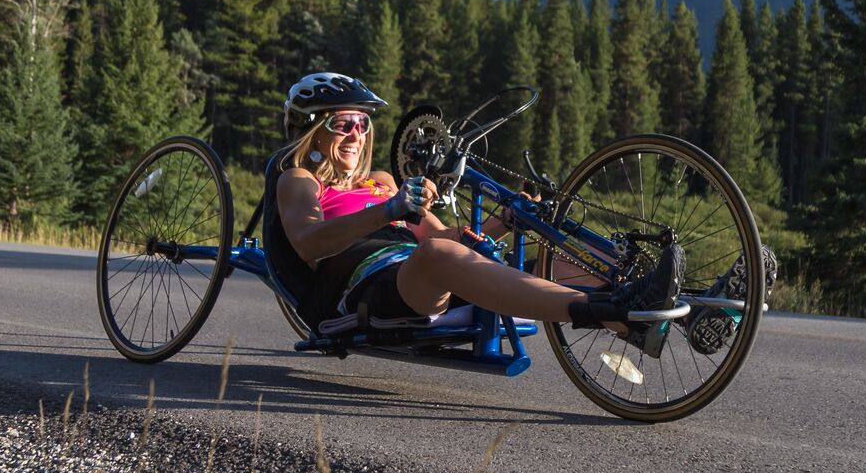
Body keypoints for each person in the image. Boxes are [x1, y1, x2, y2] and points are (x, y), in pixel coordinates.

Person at [273, 72, 681, 354]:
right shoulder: (300, 180)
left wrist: (503, 221)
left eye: (362, 124)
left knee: (555, 261)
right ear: (311, 130)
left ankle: (681, 313)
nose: (356, 136)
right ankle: (608, 310)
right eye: (344, 124)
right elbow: (308, 243)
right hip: (369, 291)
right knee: (436, 256)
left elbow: (441, 237)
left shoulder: (380, 179)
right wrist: (389, 211)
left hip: (426, 273)